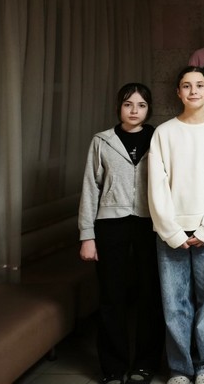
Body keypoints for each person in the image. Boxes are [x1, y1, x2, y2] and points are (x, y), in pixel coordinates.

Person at [148, 67, 204, 384]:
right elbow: (156, 186)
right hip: (170, 231)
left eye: (200, 85)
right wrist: (172, 231)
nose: (194, 91)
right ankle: (179, 367)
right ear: (178, 92)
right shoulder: (164, 133)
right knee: (175, 302)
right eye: (187, 86)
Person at [79, 83, 163, 384]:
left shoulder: (160, 138)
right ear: (119, 108)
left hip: (150, 224)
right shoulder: (102, 141)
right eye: (128, 104)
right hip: (110, 224)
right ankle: (113, 367)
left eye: (141, 105)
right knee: (111, 296)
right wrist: (87, 235)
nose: (134, 110)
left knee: (149, 294)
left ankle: (146, 363)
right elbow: (90, 188)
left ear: (148, 109)